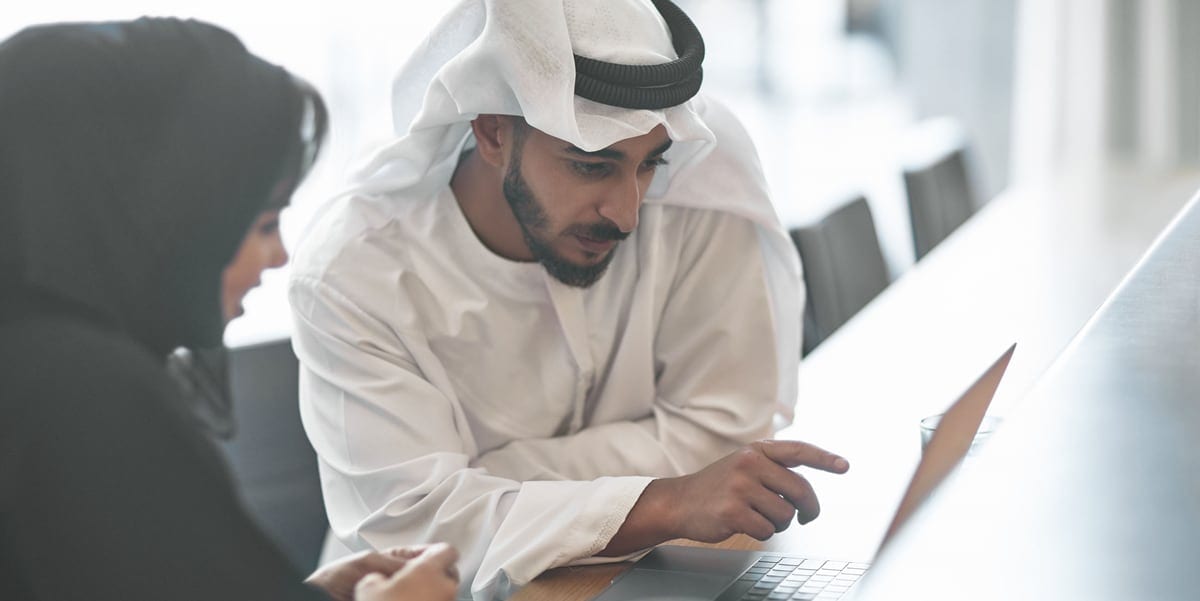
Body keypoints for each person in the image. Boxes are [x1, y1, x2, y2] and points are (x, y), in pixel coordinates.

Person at [289, 0, 849, 597]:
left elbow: (727, 433)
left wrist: (493, 482)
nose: (627, 213)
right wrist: (669, 501)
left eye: (648, 166)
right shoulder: (355, 272)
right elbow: (418, 530)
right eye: (591, 167)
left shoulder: (700, 186)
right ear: (493, 131)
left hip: (653, 574)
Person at [0, 19, 458, 601]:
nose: (280, 255)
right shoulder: (86, 395)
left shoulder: (32, 358)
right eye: (262, 223)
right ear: (170, 220)